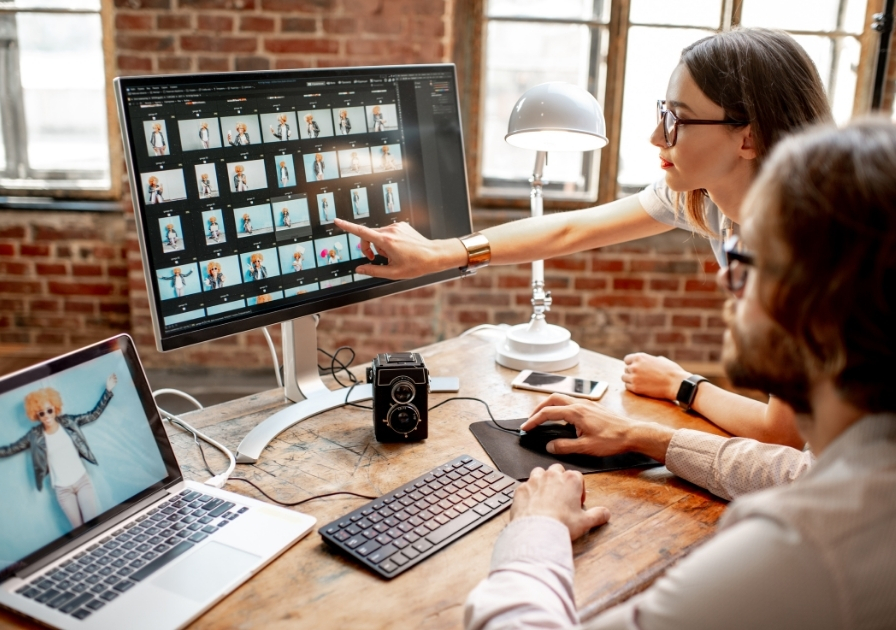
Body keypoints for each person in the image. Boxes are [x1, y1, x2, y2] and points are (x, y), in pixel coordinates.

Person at [464, 118, 896, 630]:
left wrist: (536, 530)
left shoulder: (808, 548)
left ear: (821, 304)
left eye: (747, 257)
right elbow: (795, 470)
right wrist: (645, 437)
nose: (724, 276)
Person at [336, 28, 831, 449]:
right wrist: (441, 253)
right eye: (664, 111)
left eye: (678, 119)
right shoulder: (706, 197)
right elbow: (573, 227)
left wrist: (684, 386)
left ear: (748, 138)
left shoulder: (806, 247)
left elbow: (782, 435)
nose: (657, 136)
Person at [0, 374, 118, 528]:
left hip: (82, 481)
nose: (46, 416)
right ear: (36, 415)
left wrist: (107, 391)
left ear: (55, 408)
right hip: (62, 490)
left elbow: (93, 415)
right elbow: (10, 449)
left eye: (49, 410)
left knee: (94, 526)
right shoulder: (35, 435)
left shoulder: (69, 422)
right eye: (41, 413)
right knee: (79, 532)